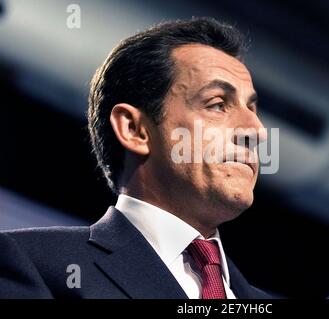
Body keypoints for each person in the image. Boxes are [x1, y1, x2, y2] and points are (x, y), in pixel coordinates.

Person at [0, 17, 270, 299]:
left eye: (252, 109)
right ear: (135, 130)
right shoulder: (32, 264)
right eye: (217, 104)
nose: (257, 130)